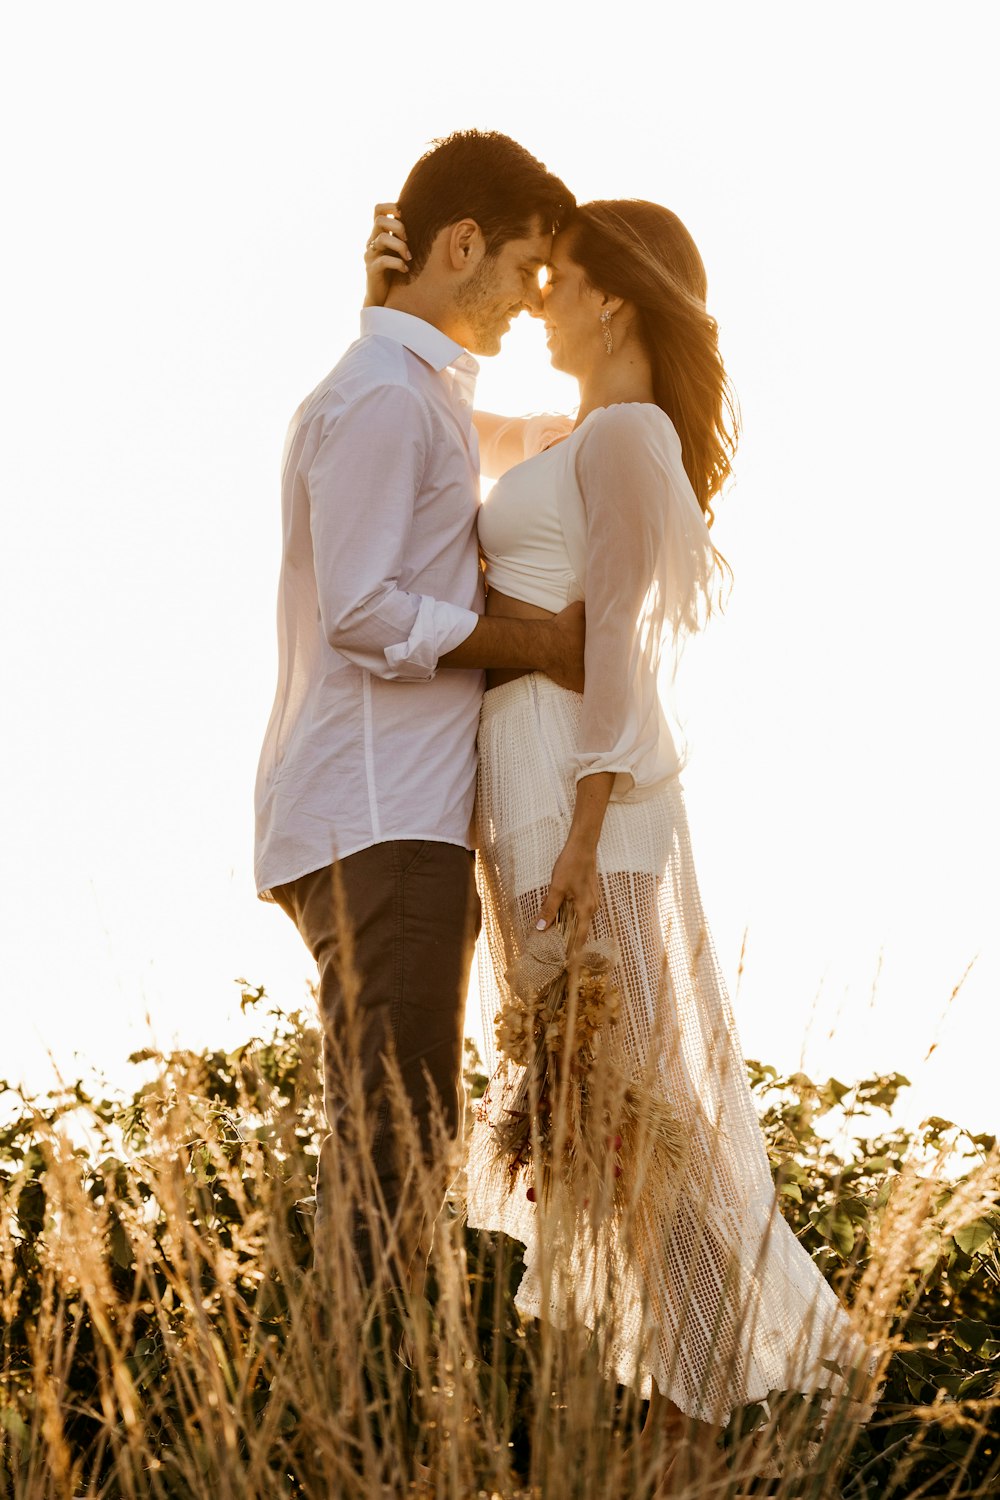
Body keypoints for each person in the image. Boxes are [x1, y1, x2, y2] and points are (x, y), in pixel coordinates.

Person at [365, 195, 872, 1489]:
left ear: (615, 298)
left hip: (581, 807)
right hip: (530, 793)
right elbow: (435, 429)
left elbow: (627, 648)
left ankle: (699, 1423)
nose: (538, 299)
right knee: (600, 1118)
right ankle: (676, 1425)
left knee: (635, 1112)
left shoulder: (633, 437)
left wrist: (587, 830)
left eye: (559, 278)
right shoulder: (585, 438)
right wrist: (391, 312)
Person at [254, 131, 581, 1290]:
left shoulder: (408, 389)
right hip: (383, 821)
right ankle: (368, 1436)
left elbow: (498, 447)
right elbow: (363, 610)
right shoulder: (387, 400)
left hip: (382, 819)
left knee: (395, 1137)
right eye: (527, 268)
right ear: (460, 244)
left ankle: (365, 1421)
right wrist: (538, 641)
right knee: (397, 1155)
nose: (533, 303)